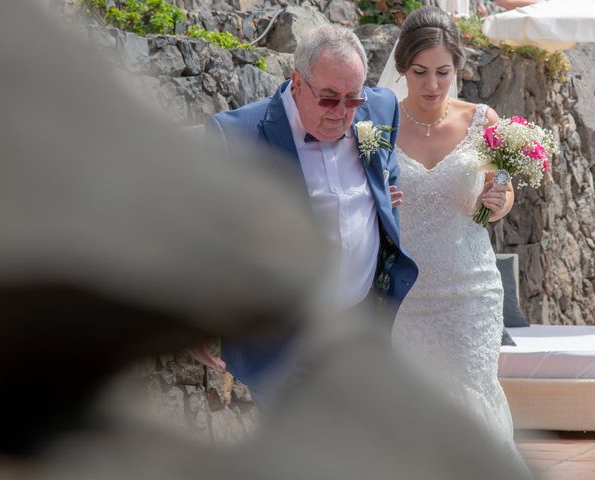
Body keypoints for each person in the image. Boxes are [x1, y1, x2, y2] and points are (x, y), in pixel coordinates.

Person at [206, 24, 418, 407]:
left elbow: (387, 176)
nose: (341, 112)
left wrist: (386, 198)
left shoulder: (381, 107)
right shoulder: (237, 135)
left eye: (353, 99)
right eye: (328, 98)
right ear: (297, 83)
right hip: (284, 345)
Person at [378, 5, 520, 451]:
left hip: (470, 294)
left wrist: (495, 205)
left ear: (457, 67)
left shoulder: (484, 123)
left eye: (442, 71)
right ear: (402, 69)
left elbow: (505, 192)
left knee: (471, 410)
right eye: (420, 72)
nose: (433, 84)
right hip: (405, 297)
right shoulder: (377, 127)